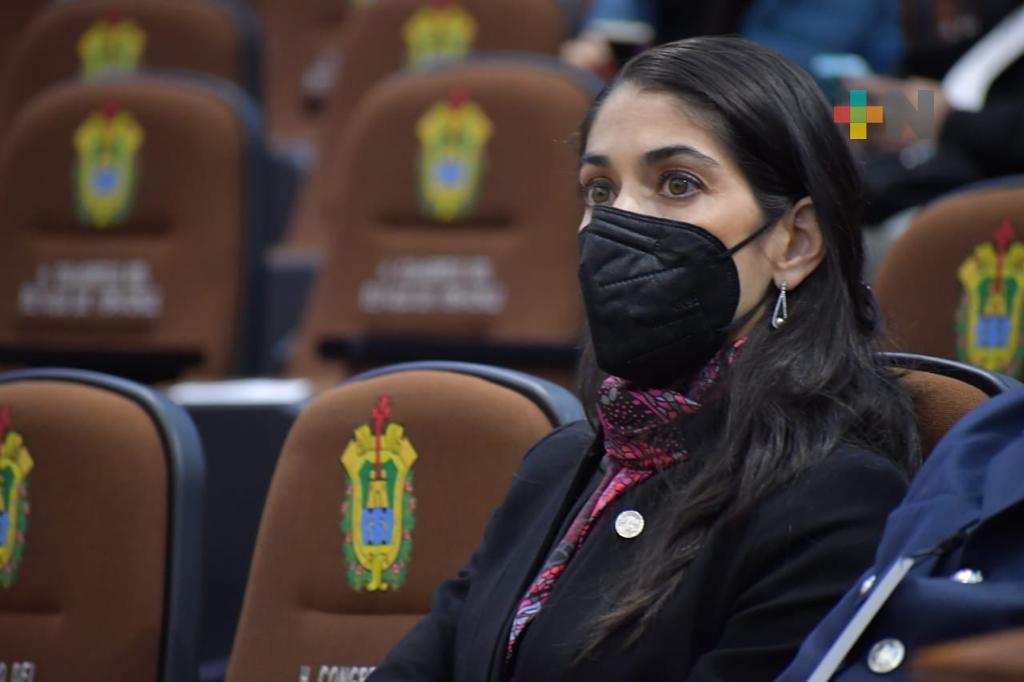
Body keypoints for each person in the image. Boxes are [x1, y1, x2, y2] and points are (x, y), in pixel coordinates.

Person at [368, 36, 920, 681]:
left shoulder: (831, 499)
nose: (617, 220)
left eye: (677, 184)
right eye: (599, 191)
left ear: (794, 242)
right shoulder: (558, 464)